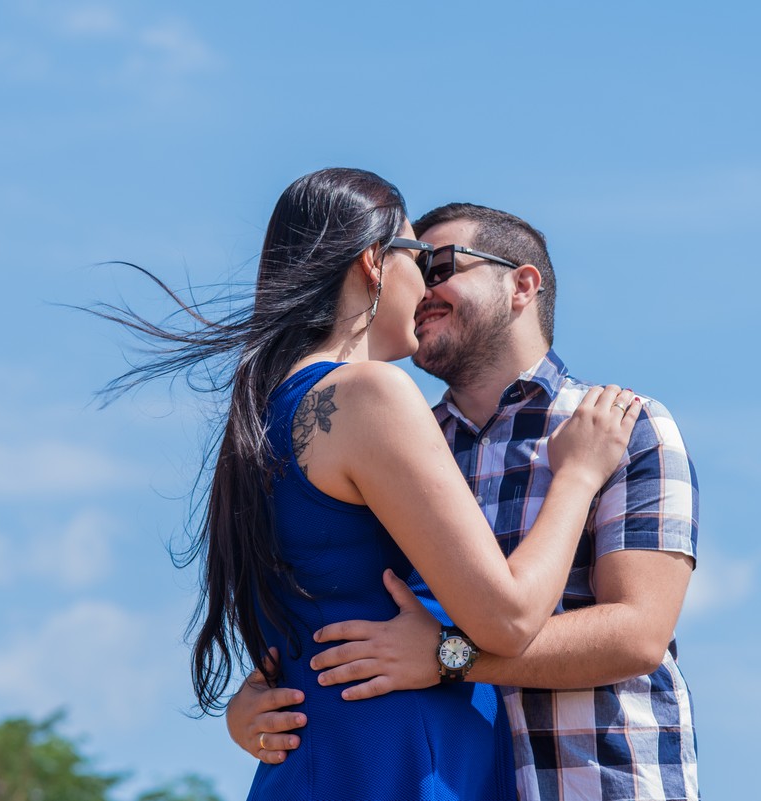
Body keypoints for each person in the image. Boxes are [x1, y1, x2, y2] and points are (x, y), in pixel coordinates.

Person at [98, 170, 640, 800]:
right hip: (399, 763)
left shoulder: (263, 413)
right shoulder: (369, 394)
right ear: (373, 263)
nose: (427, 286)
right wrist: (577, 475)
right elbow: (510, 618)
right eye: (419, 260)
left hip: (323, 758)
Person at [229, 202, 702, 800]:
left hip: (597, 782)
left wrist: (449, 656)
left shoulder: (621, 427)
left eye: (441, 265)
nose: (420, 286)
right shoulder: (389, 439)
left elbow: (637, 635)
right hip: (453, 779)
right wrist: (256, 700)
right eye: (414, 265)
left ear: (521, 284)